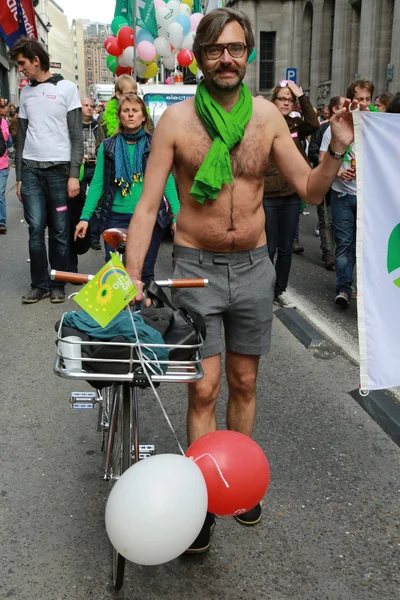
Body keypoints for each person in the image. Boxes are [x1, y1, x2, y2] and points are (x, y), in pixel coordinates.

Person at [125, 7, 362, 553]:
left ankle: (236, 476)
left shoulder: (266, 119)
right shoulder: (177, 123)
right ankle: (202, 499)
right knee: (203, 387)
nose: (226, 58)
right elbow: (146, 208)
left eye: (236, 49)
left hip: (254, 268)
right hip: (194, 271)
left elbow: (309, 190)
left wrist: (336, 147)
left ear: (248, 55)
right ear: (200, 57)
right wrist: (135, 275)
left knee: (245, 382)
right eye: (215, 50)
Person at [9, 37, 83, 304]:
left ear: (36, 61)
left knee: (61, 231)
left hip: (59, 173)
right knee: (35, 228)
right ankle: (39, 284)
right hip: (30, 172)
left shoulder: (67, 88)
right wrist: (19, 177)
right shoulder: (26, 93)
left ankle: (58, 283)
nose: (20, 69)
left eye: (22, 64)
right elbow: (21, 138)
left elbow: (76, 135)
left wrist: (74, 173)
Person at [75, 94, 179, 281]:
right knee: (115, 275)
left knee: (144, 273)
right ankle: (122, 312)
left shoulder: (156, 144)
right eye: (126, 111)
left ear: (143, 116)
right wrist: (85, 217)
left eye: (135, 111)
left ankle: (140, 311)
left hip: (150, 219)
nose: (131, 115)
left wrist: (176, 215)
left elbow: (167, 181)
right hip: (115, 218)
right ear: (119, 116)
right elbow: (98, 184)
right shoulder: (107, 147)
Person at [263, 79, 319, 307]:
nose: (285, 102)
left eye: (289, 99)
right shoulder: (262, 122)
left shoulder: (295, 125)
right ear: (273, 100)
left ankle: (279, 290)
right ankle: (263, 291)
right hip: (267, 196)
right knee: (267, 248)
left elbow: (314, 125)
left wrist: (302, 95)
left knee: (286, 248)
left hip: (291, 195)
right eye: (282, 98)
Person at [319, 79, 374, 306]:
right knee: (344, 243)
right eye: (359, 99)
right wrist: (340, 174)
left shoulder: (374, 125)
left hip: (367, 196)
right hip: (341, 194)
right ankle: (343, 288)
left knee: (366, 245)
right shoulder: (336, 125)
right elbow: (322, 159)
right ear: (351, 100)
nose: (363, 104)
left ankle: (365, 290)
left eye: (367, 99)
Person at [308, 95, 345, 270]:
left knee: (337, 220)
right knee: (324, 218)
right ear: (335, 110)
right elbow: (313, 152)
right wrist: (329, 163)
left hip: (342, 182)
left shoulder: (349, 128)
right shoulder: (323, 130)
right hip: (324, 180)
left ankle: (338, 252)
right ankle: (328, 253)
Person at [69, 98, 100, 274]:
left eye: (91, 106)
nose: (89, 108)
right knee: (81, 203)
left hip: (95, 166)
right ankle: (82, 233)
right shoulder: (73, 126)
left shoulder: (97, 125)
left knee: (95, 202)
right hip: (80, 168)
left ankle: (94, 238)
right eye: (85, 105)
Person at [96, 75, 137, 149]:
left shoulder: (143, 114)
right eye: (130, 94)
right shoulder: (104, 116)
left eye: (135, 94)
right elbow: (100, 148)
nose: (133, 97)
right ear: (118, 94)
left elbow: (152, 143)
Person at [0, 103, 10, 234]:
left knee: (0, 193)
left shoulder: (3, 123)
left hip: (2, 165)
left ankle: (1, 221)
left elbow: (6, 139)